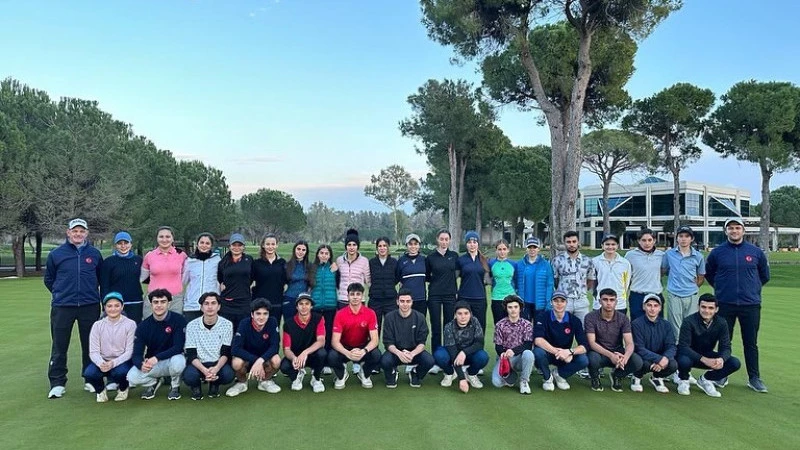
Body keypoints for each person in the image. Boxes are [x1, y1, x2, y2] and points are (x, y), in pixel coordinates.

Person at [705, 217, 770, 393]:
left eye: (737, 228)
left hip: (750, 305)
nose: (734, 231)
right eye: (731, 228)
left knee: (751, 343)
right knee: (725, 342)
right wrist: (722, 289)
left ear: (743, 230)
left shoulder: (755, 252)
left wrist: (752, 289)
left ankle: (754, 378)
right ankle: (722, 374)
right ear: (726, 231)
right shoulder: (717, 253)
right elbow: (710, 275)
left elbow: (764, 276)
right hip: (725, 304)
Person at [45, 218, 103, 399]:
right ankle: (57, 383)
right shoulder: (56, 254)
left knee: (90, 345)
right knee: (59, 345)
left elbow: (100, 278)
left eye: (81, 231)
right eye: (75, 231)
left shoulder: (94, 254)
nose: (78, 234)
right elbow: (49, 279)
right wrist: (61, 293)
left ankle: (90, 379)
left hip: (89, 305)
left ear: (86, 233)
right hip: (63, 306)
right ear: (68, 232)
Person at [661, 225, 705, 384]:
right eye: (681, 236)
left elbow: (701, 276)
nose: (683, 239)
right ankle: (675, 369)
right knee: (676, 332)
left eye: (687, 236)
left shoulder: (698, 256)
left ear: (691, 239)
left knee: (689, 332)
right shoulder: (669, 254)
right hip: (674, 295)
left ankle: (685, 369)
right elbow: (664, 270)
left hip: (691, 296)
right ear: (677, 238)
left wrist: (692, 287)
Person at [126, 289, 187, 401]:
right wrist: (141, 365)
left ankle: (175, 386)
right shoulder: (143, 326)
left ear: (169, 303)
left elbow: (178, 347)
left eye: (163, 302)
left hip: (172, 359)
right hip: (153, 363)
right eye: (156, 302)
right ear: (151, 304)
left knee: (178, 362)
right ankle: (154, 381)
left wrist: (157, 358)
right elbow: (137, 353)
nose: (159, 305)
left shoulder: (179, 320)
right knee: (131, 377)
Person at [676, 293, 742, 397]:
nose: (707, 311)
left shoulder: (721, 323)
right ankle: (683, 379)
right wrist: (704, 359)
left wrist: (721, 359)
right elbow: (684, 347)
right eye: (703, 307)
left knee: (734, 363)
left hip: (707, 354)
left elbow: (726, 347)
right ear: (698, 307)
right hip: (688, 355)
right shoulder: (688, 321)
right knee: (684, 361)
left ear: (716, 309)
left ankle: (706, 379)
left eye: (711, 308)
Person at [585, 288, 643, 392]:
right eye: (605, 299)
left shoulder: (623, 318)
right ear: (600, 301)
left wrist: (625, 358)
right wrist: (611, 355)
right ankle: (595, 377)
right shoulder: (590, 317)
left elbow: (629, 343)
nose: (608, 303)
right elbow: (592, 343)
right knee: (592, 358)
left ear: (616, 302)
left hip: (617, 352)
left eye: (612, 300)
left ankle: (617, 375)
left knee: (637, 361)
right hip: (599, 353)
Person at [83, 292, 136, 402]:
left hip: (122, 360)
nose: (113, 309)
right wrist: (101, 363)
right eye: (109, 306)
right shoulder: (97, 325)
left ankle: (123, 388)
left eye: (117, 305)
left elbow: (129, 351)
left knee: (120, 373)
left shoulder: (130, 324)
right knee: (89, 373)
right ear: (105, 307)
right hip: (103, 360)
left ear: (122, 306)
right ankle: (100, 390)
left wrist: (113, 363)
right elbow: (93, 351)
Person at [327, 283, 381, 389]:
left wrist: (363, 351)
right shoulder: (340, 314)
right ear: (348, 296)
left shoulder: (370, 313)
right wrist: (347, 353)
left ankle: (364, 373)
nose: (355, 297)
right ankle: (342, 374)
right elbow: (335, 341)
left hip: (362, 346)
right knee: (332, 356)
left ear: (362, 296)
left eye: (358, 294)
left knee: (376, 354)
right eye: (352, 294)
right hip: (345, 347)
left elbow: (375, 340)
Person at [533, 291, 590, 392]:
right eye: (556, 301)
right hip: (549, 353)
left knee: (583, 359)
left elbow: (584, 345)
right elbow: (538, 340)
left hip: (565, 354)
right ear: (551, 303)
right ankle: (547, 378)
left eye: (562, 301)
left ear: (566, 303)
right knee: (537, 352)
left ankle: (560, 375)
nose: (559, 304)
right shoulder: (542, 317)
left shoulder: (574, 320)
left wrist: (569, 352)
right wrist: (558, 352)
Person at [183, 292, 235, 400]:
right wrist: (204, 370)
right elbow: (191, 354)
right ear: (201, 307)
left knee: (228, 375)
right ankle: (196, 387)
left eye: (213, 303)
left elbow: (225, 352)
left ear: (219, 306)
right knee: (189, 377)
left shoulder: (227, 325)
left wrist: (216, 368)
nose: (210, 307)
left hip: (217, 362)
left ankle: (215, 384)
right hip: (199, 363)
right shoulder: (192, 325)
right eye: (206, 304)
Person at [225, 298, 282, 397]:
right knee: (236, 362)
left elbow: (275, 347)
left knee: (276, 360)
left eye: (265, 314)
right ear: (252, 314)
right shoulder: (244, 323)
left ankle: (265, 381)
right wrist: (256, 360)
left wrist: (261, 360)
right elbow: (235, 349)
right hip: (247, 359)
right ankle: (242, 383)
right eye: (258, 313)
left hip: (264, 358)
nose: (261, 317)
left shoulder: (272, 322)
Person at [380, 289, 435, 388]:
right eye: (402, 301)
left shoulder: (420, 317)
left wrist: (412, 354)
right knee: (384, 361)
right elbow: (388, 342)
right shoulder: (389, 317)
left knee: (429, 360)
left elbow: (422, 343)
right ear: (397, 302)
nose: (405, 304)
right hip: (396, 353)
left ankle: (415, 374)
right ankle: (392, 374)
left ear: (412, 302)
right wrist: (399, 353)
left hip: (414, 352)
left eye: (408, 301)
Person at [434, 302, 489, 393]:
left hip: (469, 354)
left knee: (483, 357)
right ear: (455, 315)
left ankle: (471, 374)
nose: (463, 316)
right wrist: (461, 379)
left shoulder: (475, 322)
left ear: (470, 314)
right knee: (439, 355)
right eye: (459, 313)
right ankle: (450, 373)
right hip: (453, 356)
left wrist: (464, 352)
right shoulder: (449, 326)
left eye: (466, 313)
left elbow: (479, 344)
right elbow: (452, 352)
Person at [426, 229, 459, 372]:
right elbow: (427, 276)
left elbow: (457, 272)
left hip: (450, 295)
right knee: (436, 328)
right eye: (442, 239)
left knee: (448, 328)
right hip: (434, 295)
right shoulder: (430, 257)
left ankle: (448, 358)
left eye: (446, 239)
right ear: (437, 240)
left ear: (449, 240)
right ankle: (436, 360)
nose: (444, 242)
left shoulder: (454, 256)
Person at [630, 294, 677, 394]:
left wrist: (665, 358)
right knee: (641, 362)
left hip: (660, 356)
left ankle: (657, 377)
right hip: (643, 357)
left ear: (660, 308)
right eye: (649, 305)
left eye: (655, 306)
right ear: (644, 307)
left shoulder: (666, 325)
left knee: (673, 364)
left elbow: (671, 346)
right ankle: (637, 376)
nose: (652, 309)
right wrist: (659, 359)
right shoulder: (636, 324)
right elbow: (639, 348)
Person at [281, 293, 327, 393]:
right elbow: (286, 349)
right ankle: (297, 375)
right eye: (301, 304)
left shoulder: (318, 318)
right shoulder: (288, 324)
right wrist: (294, 358)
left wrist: (305, 352)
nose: (304, 307)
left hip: (312, 354)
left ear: (311, 306)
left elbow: (321, 341)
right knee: (284, 366)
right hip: (297, 357)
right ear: (297, 307)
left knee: (322, 353)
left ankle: (316, 378)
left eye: (307, 303)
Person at [490, 295, 534, 395]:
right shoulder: (500, 325)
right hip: (506, 358)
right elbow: (498, 346)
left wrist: (514, 351)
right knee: (497, 382)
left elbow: (528, 345)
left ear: (520, 308)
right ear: (506, 309)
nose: (513, 310)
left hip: (521, 357)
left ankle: (524, 381)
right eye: (510, 307)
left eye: (515, 307)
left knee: (529, 354)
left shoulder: (527, 324)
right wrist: (502, 353)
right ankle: (510, 373)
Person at [141, 226, 187, 317]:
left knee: (174, 324)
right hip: (153, 300)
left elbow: (184, 276)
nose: (164, 240)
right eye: (161, 237)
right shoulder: (149, 256)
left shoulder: (181, 255)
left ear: (172, 238)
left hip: (175, 300)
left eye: (168, 237)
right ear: (157, 238)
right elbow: (143, 277)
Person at [100, 231, 144, 323]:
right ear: (115, 245)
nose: (123, 246)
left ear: (131, 244)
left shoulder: (138, 260)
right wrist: (105, 305)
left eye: (126, 243)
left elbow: (146, 278)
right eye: (120, 243)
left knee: (135, 329)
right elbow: (104, 285)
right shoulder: (108, 262)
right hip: (115, 304)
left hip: (135, 302)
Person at [552, 231, 595, 323]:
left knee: (583, 328)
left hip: (581, 301)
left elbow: (591, 279)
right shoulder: (557, 260)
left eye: (574, 241)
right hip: (564, 301)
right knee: (562, 329)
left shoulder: (587, 260)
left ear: (578, 242)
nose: (571, 244)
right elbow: (555, 280)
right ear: (564, 243)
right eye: (568, 242)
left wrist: (583, 290)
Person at [625, 229, 665, 322]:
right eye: (643, 240)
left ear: (654, 241)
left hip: (655, 294)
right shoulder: (630, 255)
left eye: (650, 240)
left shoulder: (661, 255)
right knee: (637, 324)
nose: (647, 243)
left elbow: (663, 271)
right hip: (637, 295)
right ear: (639, 241)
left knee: (657, 325)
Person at [217, 233, 254, 328]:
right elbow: (220, 278)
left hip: (244, 302)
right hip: (227, 303)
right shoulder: (223, 262)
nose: (236, 248)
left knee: (243, 330)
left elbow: (252, 277)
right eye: (234, 245)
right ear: (229, 246)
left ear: (243, 247)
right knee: (227, 331)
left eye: (239, 245)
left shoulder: (249, 260)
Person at [457, 231, 490, 336]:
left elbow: (488, 280)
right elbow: (454, 277)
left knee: (479, 327)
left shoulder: (484, 260)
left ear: (478, 244)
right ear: (466, 244)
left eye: (474, 242)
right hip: (464, 298)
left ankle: (478, 346)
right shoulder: (461, 260)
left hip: (480, 299)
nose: (472, 244)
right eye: (469, 242)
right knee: (464, 328)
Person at [182, 232, 221, 322]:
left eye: (207, 243)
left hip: (211, 305)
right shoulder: (190, 261)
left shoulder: (217, 260)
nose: (204, 245)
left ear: (211, 246)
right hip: (192, 304)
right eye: (202, 242)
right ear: (197, 244)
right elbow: (183, 281)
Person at [251, 233, 288, 324]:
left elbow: (287, 281)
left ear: (277, 245)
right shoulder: (256, 263)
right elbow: (248, 281)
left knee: (274, 328)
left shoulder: (282, 262)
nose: (270, 247)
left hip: (276, 303)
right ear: (263, 245)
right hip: (260, 303)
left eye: (273, 244)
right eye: (267, 244)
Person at [515, 237, 554, 321]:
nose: (532, 250)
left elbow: (549, 285)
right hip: (524, 303)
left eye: (534, 247)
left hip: (540, 304)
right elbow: (515, 282)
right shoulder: (519, 264)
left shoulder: (546, 265)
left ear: (538, 249)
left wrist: (548, 302)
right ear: (526, 249)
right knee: (525, 327)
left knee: (539, 328)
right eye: (529, 247)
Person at [591, 235, 631, 314]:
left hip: (619, 304)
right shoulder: (594, 262)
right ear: (602, 246)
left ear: (617, 246)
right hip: (599, 303)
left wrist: (621, 296)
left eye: (613, 244)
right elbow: (592, 282)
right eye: (607, 244)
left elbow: (626, 283)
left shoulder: (625, 263)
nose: (610, 247)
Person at [310, 244, 339, 355]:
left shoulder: (334, 269)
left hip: (330, 306)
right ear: (318, 254)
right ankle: (316, 357)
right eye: (321, 253)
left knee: (329, 332)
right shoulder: (313, 268)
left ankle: (328, 359)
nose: (324, 255)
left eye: (326, 253)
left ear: (330, 255)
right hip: (315, 306)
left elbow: (339, 284)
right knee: (316, 333)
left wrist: (337, 270)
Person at [368, 237, 398, 334]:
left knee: (391, 329)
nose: (382, 248)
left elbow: (397, 278)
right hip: (375, 301)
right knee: (374, 330)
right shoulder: (371, 262)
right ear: (377, 248)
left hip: (390, 301)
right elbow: (368, 279)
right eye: (380, 246)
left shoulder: (394, 262)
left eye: (384, 246)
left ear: (388, 247)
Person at [336, 228, 371, 309]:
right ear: (346, 246)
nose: (351, 247)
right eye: (349, 245)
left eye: (354, 245)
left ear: (357, 246)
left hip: (358, 299)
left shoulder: (364, 261)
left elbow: (368, 281)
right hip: (343, 299)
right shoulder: (339, 260)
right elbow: (337, 279)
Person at [396, 233, 428, 318]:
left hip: (421, 298)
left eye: (415, 244)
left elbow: (428, 277)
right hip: (405, 300)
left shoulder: (424, 260)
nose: (413, 246)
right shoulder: (401, 261)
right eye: (410, 244)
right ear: (406, 245)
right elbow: (397, 278)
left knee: (420, 323)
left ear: (419, 245)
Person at [488, 239, 516, 325]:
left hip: (511, 298)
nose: (502, 252)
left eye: (504, 249)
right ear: (496, 250)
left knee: (512, 326)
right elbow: (488, 277)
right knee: (499, 325)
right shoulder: (491, 263)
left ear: (508, 250)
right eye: (499, 249)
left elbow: (517, 280)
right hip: (497, 298)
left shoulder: (514, 264)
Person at [284, 240, 312, 323]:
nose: (300, 252)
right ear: (294, 250)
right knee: (289, 325)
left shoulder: (309, 266)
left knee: (303, 325)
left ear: (306, 252)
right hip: (289, 299)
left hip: (304, 300)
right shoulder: (287, 265)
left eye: (303, 250)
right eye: (298, 249)